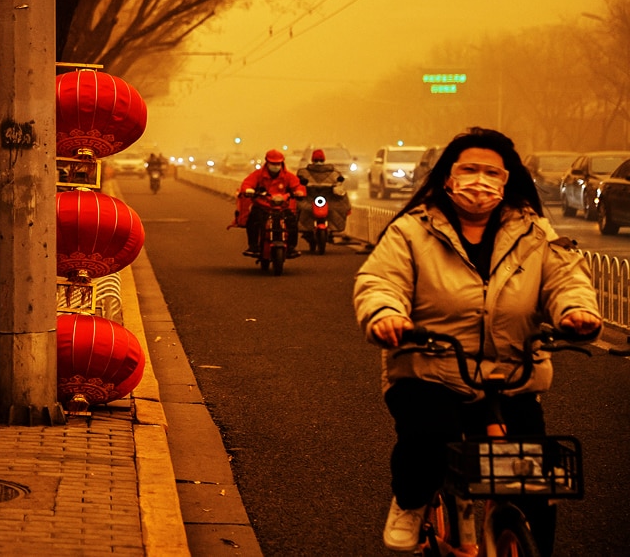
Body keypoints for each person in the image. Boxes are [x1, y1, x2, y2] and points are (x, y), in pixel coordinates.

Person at [353, 128, 601, 554]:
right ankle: (410, 503)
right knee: (431, 436)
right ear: (448, 177)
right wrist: (386, 316)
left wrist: (576, 312)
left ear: (506, 182)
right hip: (429, 370)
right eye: (469, 169)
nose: (479, 180)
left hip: (512, 376)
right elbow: (380, 281)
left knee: (534, 477)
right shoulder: (412, 230)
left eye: (491, 172)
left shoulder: (535, 232)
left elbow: (566, 279)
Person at [235, 149, 304, 257]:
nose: (275, 166)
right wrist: (248, 190)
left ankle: (291, 247)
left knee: (292, 222)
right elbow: (247, 184)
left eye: (278, 164)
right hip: (262, 207)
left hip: (282, 208)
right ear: (267, 162)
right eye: (273, 163)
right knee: (252, 221)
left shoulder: (288, 176)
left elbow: (297, 186)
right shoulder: (258, 175)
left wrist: (299, 192)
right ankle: (253, 246)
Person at [296, 149, 351, 246]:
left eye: (320, 160)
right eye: (317, 160)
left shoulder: (304, 172)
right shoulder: (333, 173)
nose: (318, 163)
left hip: (316, 199)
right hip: (318, 199)